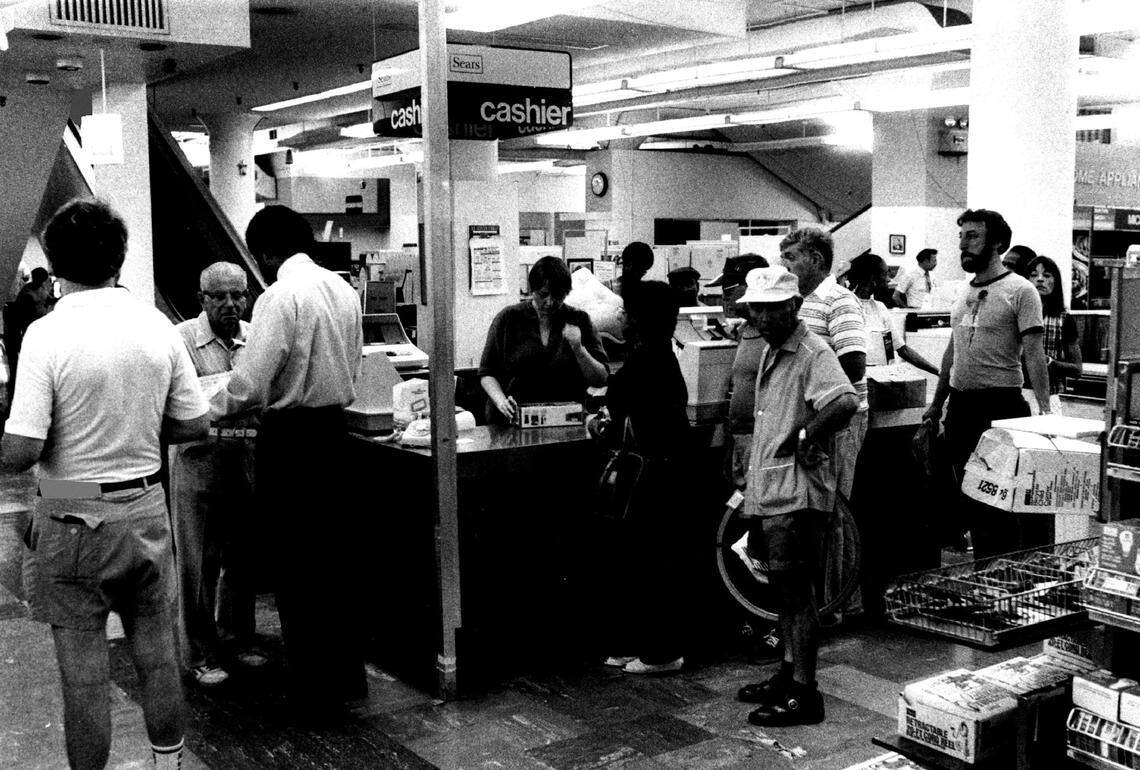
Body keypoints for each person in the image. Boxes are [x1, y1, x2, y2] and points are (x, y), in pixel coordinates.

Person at [0, 198, 209, 770]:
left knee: (85, 678)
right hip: (144, 501)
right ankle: (168, 764)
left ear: (58, 262)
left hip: (73, 507)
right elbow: (194, 422)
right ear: (121, 255)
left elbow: (23, 450)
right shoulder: (157, 327)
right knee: (158, 657)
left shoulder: (46, 333)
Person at [212, 204, 366, 717]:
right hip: (334, 438)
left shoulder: (280, 296)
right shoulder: (344, 290)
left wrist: (204, 406)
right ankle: (347, 679)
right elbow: (357, 359)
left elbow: (250, 384)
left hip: (291, 441)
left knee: (297, 570)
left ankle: (312, 690)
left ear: (265, 251)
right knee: (337, 565)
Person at [732, 266, 858, 727]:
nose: (761, 317)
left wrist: (810, 433)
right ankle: (787, 673)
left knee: (797, 593)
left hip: (799, 493)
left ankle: (806, 693)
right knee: (782, 592)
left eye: (771, 309)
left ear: (795, 307)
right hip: (775, 489)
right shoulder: (773, 350)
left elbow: (844, 401)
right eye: (756, 309)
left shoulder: (810, 350)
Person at [922, 209, 1052, 557]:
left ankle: (1004, 579)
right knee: (971, 503)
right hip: (962, 408)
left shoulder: (1021, 291)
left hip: (1001, 408)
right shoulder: (964, 291)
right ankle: (984, 579)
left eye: (973, 236)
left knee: (998, 503)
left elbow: (1035, 354)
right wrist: (936, 405)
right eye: (962, 236)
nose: (963, 244)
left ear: (996, 241)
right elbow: (953, 351)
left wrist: (1045, 410)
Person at [170, 262, 264, 688]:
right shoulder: (181, 340)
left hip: (245, 456)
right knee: (198, 562)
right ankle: (199, 652)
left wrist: (224, 403)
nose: (231, 304)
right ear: (202, 299)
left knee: (243, 555)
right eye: (220, 296)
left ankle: (238, 636)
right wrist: (233, 403)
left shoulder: (255, 337)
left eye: (238, 295)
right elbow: (188, 407)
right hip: (198, 461)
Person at [599, 281, 692, 674]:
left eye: (626, 310)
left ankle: (661, 652)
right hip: (669, 469)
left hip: (653, 474)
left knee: (652, 561)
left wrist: (595, 423)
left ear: (640, 319)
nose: (620, 315)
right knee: (650, 559)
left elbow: (614, 412)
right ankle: (643, 644)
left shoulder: (643, 361)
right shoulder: (661, 355)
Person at [779, 228, 867, 620]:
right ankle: (820, 605)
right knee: (814, 515)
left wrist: (822, 415)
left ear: (816, 259)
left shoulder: (839, 300)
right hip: (812, 420)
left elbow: (853, 365)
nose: (786, 264)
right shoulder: (797, 303)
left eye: (792, 257)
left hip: (837, 420)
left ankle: (837, 605)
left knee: (832, 514)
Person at [480, 256, 608, 424]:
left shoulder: (579, 319)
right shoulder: (508, 318)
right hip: (512, 419)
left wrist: (579, 349)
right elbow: (487, 372)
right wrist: (501, 401)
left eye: (558, 296)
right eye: (543, 295)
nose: (549, 302)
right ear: (532, 290)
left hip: (564, 420)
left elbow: (601, 378)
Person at [847, 253, 939, 374]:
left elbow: (903, 349)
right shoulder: (847, 306)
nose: (889, 279)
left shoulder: (879, 307)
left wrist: (937, 371)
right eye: (885, 274)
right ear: (872, 278)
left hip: (880, 377)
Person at [1024, 255, 1082, 414]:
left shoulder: (1064, 320)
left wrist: (1051, 363)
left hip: (1050, 396)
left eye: (1047, 275)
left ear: (1055, 282)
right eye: (1034, 275)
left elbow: (1077, 369)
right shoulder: (1015, 316)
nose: (1040, 280)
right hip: (1018, 394)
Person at [3, 266, 56, 409]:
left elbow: (50, 300)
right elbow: (20, 319)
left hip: (38, 331)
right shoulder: (27, 293)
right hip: (27, 332)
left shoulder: (41, 289)